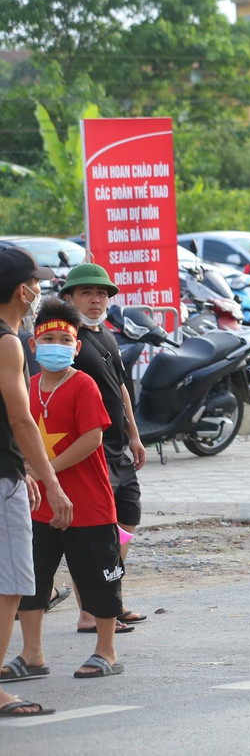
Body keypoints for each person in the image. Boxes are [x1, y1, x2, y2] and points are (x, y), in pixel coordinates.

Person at [9, 299, 123, 681]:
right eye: (48, 338)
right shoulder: (27, 386)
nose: (56, 344)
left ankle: (105, 650)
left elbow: (92, 439)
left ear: (76, 347)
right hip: (39, 507)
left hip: (88, 504)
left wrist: (44, 471)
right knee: (32, 580)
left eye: (64, 339)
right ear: (33, 345)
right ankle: (32, 654)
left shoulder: (84, 384)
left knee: (97, 577)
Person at [0, 248, 72, 718]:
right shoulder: (6, 342)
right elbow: (22, 420)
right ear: (21, 290)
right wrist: (51, 481)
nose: (39, 292)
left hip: (8, 471)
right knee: (9, 585)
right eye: (36, 284)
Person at [59, 263, 146, 632]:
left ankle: (111, 600)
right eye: (86, 293)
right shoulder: (66, 340)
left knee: (126, 519)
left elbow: (122, 386)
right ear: (68, 298)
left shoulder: (106, 334)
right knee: (92, 534)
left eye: (102, 294)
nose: (96, 300)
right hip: (89, 451)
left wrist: (134, 433)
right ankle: (89, 613)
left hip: (117, 449)